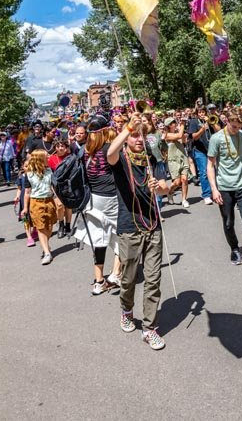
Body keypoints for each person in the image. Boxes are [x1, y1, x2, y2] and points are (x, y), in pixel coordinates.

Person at [106, 113, 166, 351]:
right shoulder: (120, 159)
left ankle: (150, 328)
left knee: (153, 280)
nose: (139, 139)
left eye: (142, 135)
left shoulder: (152, 158)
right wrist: (129, 126)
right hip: (129, 227)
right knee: (129, 278)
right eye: (134, 136)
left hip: (153, 226)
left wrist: (159, 187)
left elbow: (166, 186)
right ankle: (127, 310)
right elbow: (110, 153)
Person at [207, 106, 242, 274]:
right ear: (227, 121)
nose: (237, 129)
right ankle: (235, 249)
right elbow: (210, 165)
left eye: (240, 126)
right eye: (234, 126)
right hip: (224, 187)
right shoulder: (216, 139)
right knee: (229, 223)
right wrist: (214, 190)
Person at [76, 115, 123, 295]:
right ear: (104, 131)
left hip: (92, 199)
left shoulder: (84, 150)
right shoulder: (107, 149)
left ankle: (99, 280)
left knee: (99, 240)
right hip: (110, 197)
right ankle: (116, 273)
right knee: (122, 235)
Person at [20, 150, 57, 265]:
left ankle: (45, 244)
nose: (49, 158)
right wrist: (25, 208)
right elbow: (27, 192)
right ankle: (47, 253)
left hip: (49, 201)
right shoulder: (29, 174)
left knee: (50, 226)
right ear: (40, 159)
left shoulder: (49, 171)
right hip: (36, 202)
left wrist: (58, 199)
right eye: (47, 157)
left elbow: (53, 186)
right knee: (41, 228)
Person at [187, 106, 213, 206]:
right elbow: (194, 137)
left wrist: (212, 124)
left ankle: (214, 191)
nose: (202, 114)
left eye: (204, 112)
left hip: (212, 150)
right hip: (199, 150)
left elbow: (219, 130)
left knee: (214, 171)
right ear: (197, 113)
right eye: (200, 112)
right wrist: (203, 128)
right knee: (204, 172)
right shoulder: (194, 122)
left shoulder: (210, 120)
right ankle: (206, 194)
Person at [48, 139, 73, 239]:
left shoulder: (71, 158)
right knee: (59, 206)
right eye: (58, 146)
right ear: (55, 148)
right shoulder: (51, 159)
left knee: (68, 207)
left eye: (63, 146)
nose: (61, 148)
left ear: (66, 148)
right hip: (56, 186)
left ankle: (68, 226)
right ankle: (61, 225)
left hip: (69, 185)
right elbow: (48, 174)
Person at [162, 117, 189, 208]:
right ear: (169, 125)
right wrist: (182, 125)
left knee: (184, 179)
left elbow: (184, 141)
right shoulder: (167, 135)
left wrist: (184, 137)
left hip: (183, 158)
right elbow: (178, 136)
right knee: (177, 183)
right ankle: (170, 192)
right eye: (173, 122)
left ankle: (184, 199)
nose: (175, 123)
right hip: (173, 160)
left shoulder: (179, 132)